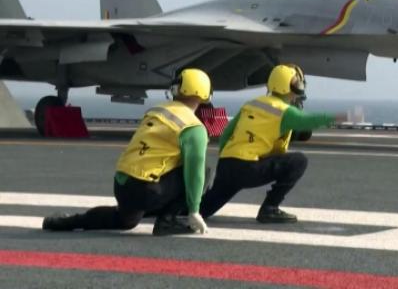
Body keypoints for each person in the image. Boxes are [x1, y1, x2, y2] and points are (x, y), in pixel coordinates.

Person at [42, 68, 212, 236]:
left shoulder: (157, 111)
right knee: (202, 172)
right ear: (205, 94)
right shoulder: (194, 127)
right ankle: (167, 220)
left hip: (122, 184)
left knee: (125, 221)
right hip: (147, 189)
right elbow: (195, 173)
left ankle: (66, 222)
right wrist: (194, 210)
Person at [199, 64, 346, 223]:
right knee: (298, 161)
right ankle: (270, 208)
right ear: (289, 86)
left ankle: (181, 209)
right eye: (296, 83)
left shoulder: (251, 104)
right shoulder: (284, 111)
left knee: (202, 210)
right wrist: (342, 116)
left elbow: (226, 134)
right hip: (248, 169)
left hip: (227, 165)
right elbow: (311, 121)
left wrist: (225, 161)